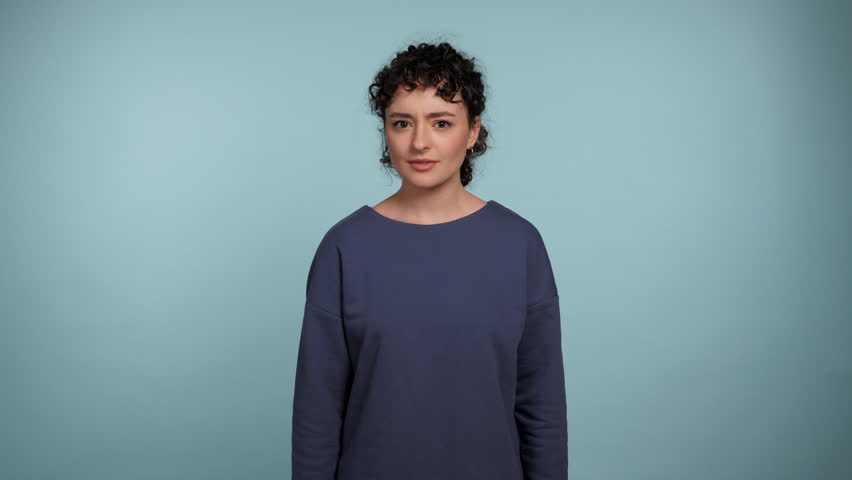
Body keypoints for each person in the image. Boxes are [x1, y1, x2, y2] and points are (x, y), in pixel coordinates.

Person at [291, 41, 567, 480]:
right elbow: (316, 415)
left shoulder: (520, 244)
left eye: (441, 122)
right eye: (402, 122)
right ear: (385, 130)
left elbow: (542, 407)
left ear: (473, 131)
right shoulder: (344, 247)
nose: (420, 142)